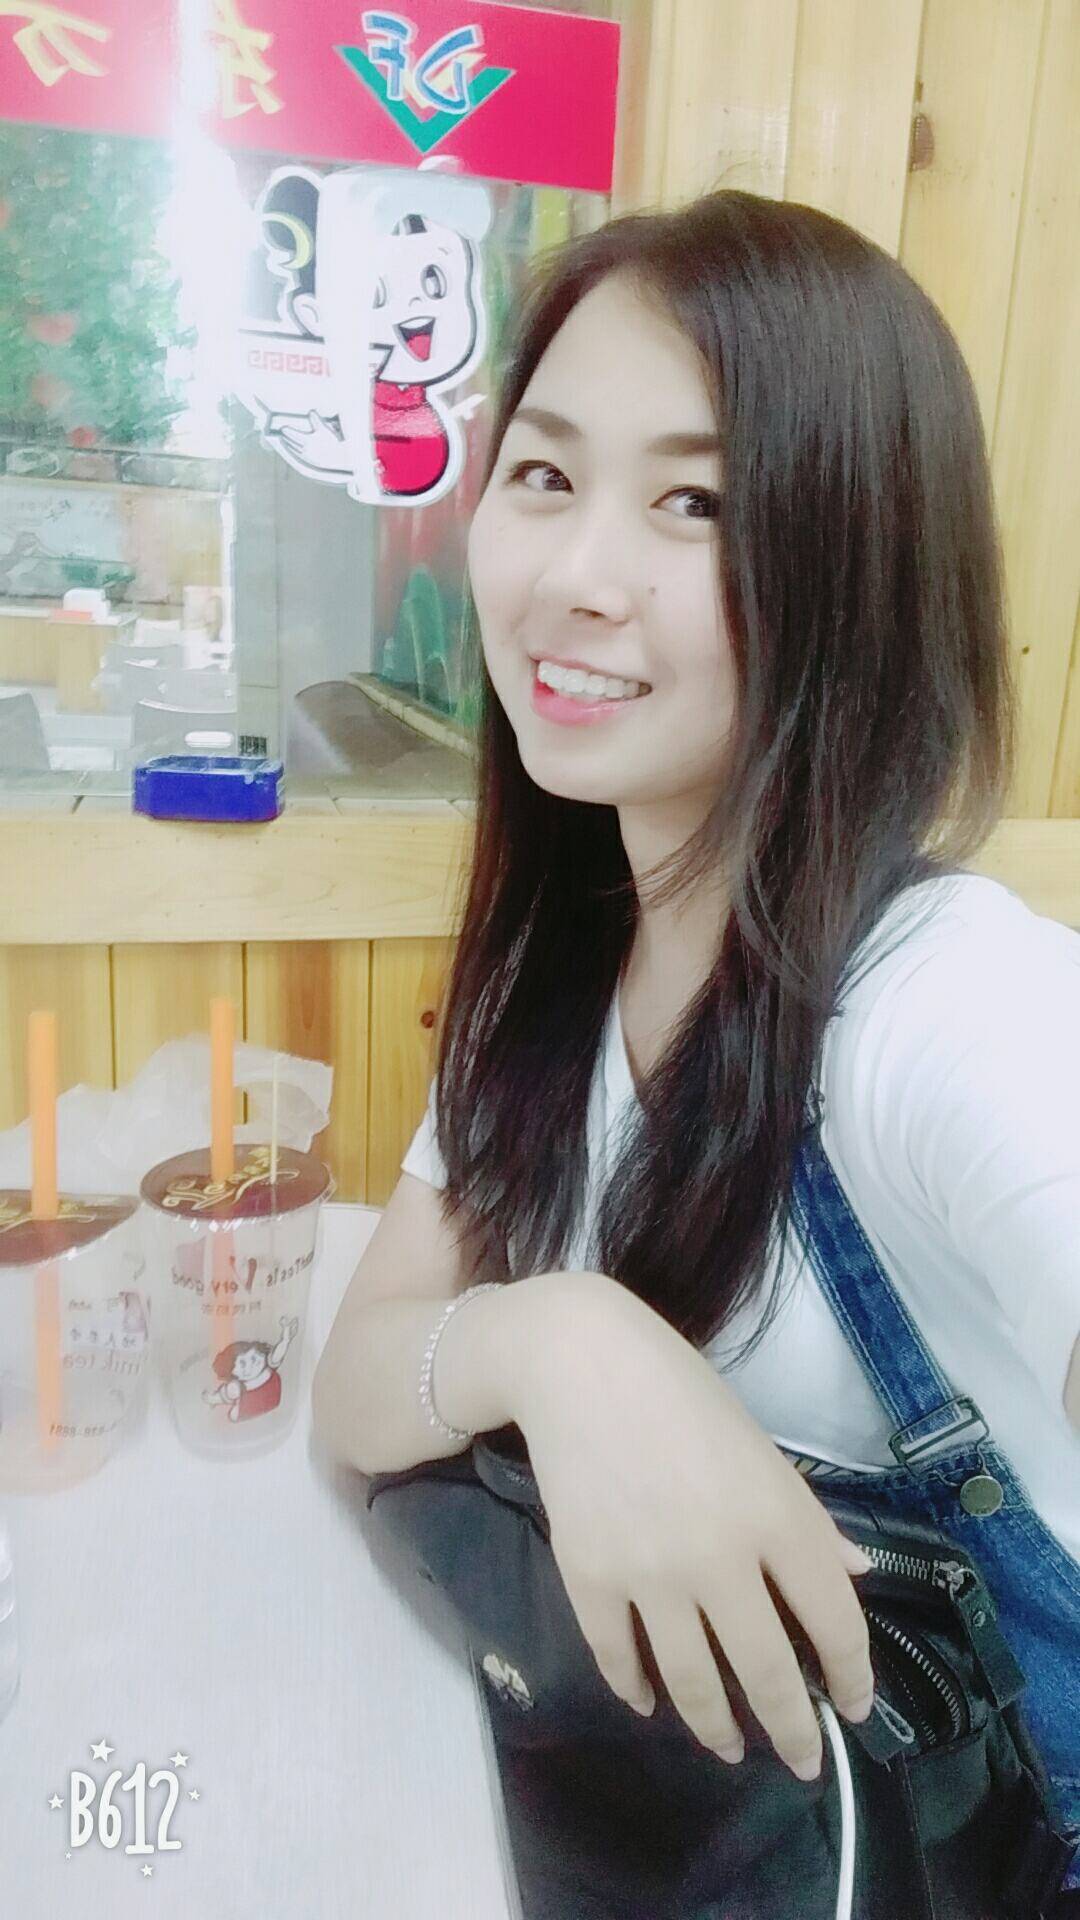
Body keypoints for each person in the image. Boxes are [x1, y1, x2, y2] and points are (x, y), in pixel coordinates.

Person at [311, 189, 1080, 1908]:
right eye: (545, 474)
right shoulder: (555, 978)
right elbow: (353, 1390)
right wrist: (560, 1340)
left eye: (695, 502)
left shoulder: (938, 1004)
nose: (573, 578)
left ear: (858, 565)